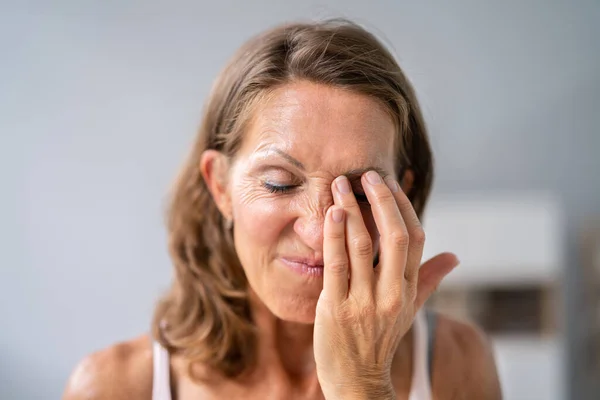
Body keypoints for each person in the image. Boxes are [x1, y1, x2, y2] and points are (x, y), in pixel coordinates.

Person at [63, 19, 501, 400]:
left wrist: (362, 386)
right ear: (220, 185)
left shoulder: (456, 364)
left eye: (361, 194)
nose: (316, 231)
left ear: (401, 197)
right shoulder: (114, 387)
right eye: (279, 184)